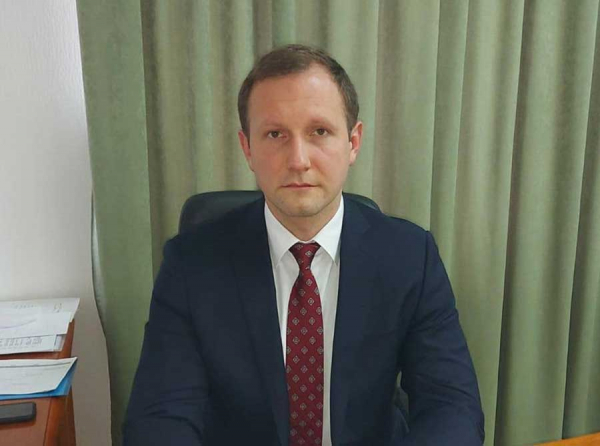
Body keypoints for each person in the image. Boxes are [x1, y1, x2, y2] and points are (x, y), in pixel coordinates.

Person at [124, 44, 484, 446]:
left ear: (353, 142)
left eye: (319, 132)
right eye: (275, 134)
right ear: (247, 149)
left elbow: (451, 405)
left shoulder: (410, 257)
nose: (298, 160)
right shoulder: (191, 265)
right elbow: (161, 416)